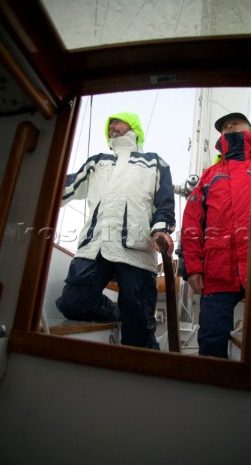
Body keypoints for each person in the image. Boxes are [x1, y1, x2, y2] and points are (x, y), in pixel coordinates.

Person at [56, 112, 175, 349]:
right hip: (94, 246)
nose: (112, 127)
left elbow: (165, 204)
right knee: (72, 304)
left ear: (133, 127)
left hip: (137, 250)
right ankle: (115, 311)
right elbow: (63, 187)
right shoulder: (97, 161)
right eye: (109, 125)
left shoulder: (155, 163)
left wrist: (161, 230)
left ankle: (144, 374)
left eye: (117, 122)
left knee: (138, 327)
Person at [181, 112, 251, 358]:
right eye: (224, 126)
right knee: (211, 341)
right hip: (218, 270)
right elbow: (191, 222)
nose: (228, 126)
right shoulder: (210, 174)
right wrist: (192, 267)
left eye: (235, 123)